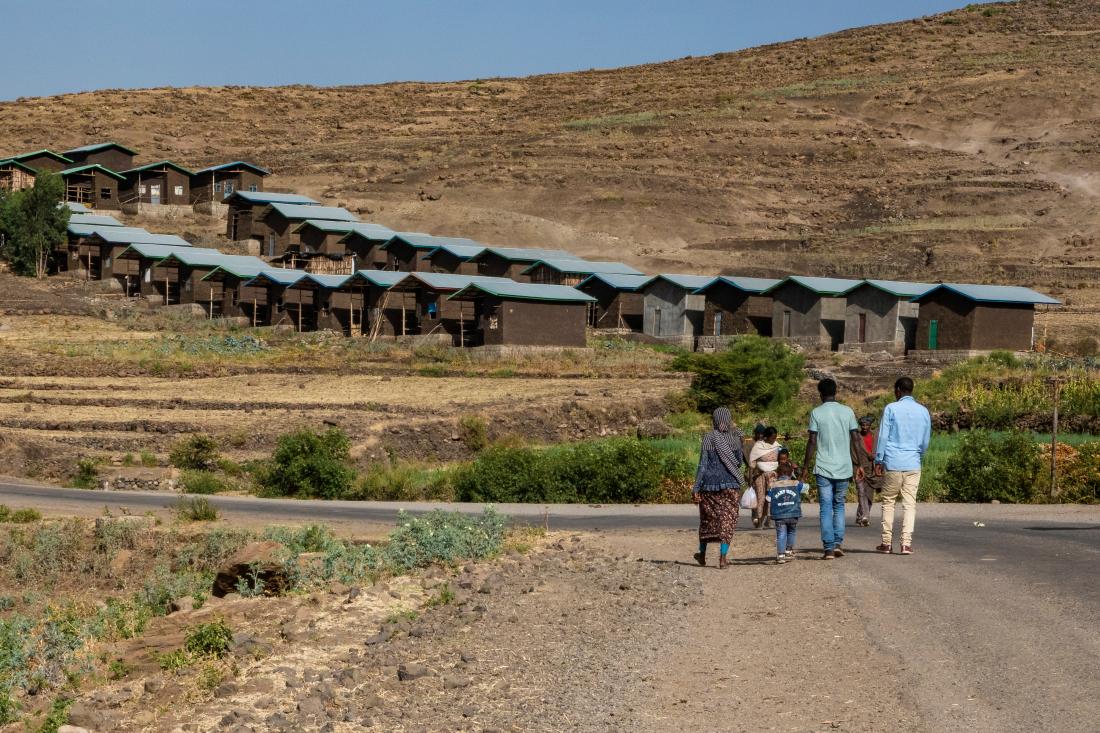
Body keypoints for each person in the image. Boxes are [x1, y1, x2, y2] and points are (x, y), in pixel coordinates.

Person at [800, 378, 864, 560]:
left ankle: (828, 549)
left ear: (820, 394)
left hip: (823, 468)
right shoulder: (848, 411)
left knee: (826, 508)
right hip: (844, 467)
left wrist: (805, 466)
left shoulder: (816, 413)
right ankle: (837, 544)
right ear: (836, 392)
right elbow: (856, 439)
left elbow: (812, 441)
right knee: (839, 506)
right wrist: (859, 464)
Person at [874, 377, 931, 556]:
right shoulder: (923, 411)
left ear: (898, 390)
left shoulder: (891, 408)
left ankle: (886, 543)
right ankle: (906, 544)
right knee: (909, 503)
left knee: (889, 501)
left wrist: (879, 459)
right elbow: (925, 440)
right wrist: (918, 455)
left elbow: (883, 436)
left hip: (893, 462)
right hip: (913, 462)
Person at [692, 407, 747, 569]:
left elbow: (702, 465)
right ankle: (723, 559)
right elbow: (738, 462)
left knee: (707, 520)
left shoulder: (708, 438)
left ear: (714, 420)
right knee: (728, 520)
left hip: (708, 485)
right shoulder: (735, 439)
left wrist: (696, 488)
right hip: (730, 485)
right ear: (728, 419)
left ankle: (702, 555)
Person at [766, 478, 805, 564]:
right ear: (791, 473)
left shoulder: (773, 485)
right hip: (793, 513)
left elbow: (768, 499)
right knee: (791, 532)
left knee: (781, 534)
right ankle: (788, 551)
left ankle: (780, 555)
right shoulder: (796, 483)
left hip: (779, 515)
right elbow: (806, 489)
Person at [750, 426, 781, 528]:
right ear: (766, 437)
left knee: (771, 498)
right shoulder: (758, 446)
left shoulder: (777, 446)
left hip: (772, 476)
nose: (774, 440)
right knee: (761, 498)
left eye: (775, 437)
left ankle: (769, 521)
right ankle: (759, 522)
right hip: (760, 476)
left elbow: (782, 460)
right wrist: (751, 479)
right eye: (772, 438)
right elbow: (752, 462)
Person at [854, 416, 882, 527]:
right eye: (862, 425)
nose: (865, 427)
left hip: (872, 468)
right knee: (861, 491)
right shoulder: (856, 437)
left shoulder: (875, 436)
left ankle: (860, 516)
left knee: (869, 494)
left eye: (867, 425)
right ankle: (865, 516)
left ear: (870, 426)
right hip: (858, 468)